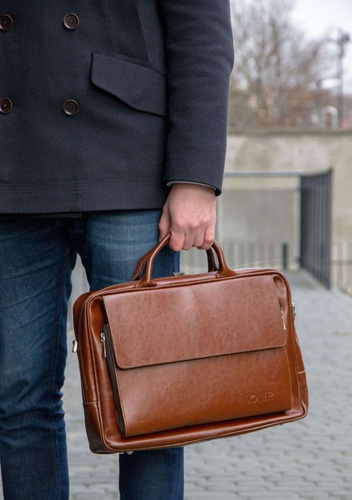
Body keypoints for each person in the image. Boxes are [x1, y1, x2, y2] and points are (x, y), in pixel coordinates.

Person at [0, 1, 234, 499]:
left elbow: (201, 28)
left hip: (129, 160)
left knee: (150, 395)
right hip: (11, 168)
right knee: (18, 397)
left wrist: (195, 175)